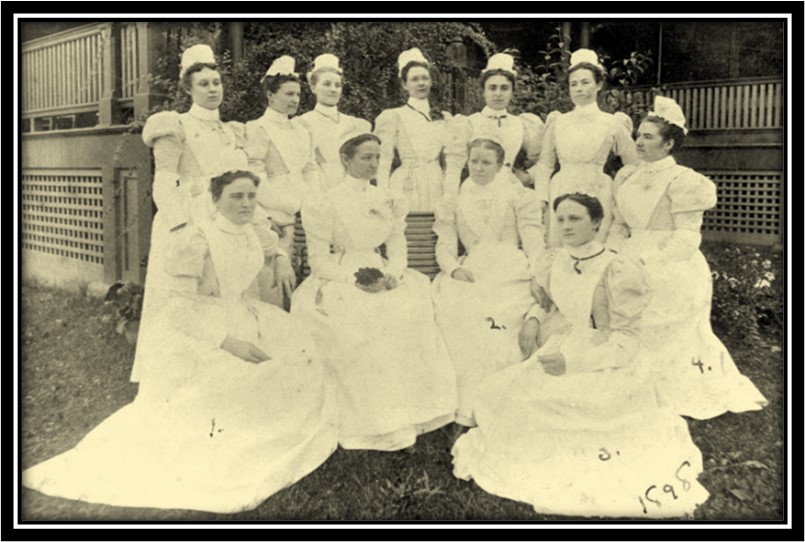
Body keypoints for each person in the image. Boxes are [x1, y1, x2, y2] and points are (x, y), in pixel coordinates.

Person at [22, 170, 339, 514]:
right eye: (236, 196)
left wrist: (278, 257)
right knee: (245, 381)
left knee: (300, 358)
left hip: (243, 314)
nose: (246, 203)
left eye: (251, 196)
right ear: (215, 201)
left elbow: (267, 244)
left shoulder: (252, 230)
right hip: (203, 329)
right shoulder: (196, 240)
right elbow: (178, 310)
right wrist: (227, 342)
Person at [452, 193, 709, 518]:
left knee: (558, 408)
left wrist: (573, 363)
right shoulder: (553, 260)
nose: (565, 226)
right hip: (566, 344)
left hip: (609, 359)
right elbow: (551, 303)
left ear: (597, 223)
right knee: (495, 392)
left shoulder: (617, 267)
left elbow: (628, 339)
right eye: (560, 219)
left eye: (575, 219)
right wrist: (533, 320)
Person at [132, 44, 294, 383]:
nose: (212, 89)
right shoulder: (175, 125)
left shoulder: (234, 130)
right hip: (189, 218)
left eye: (216, 82)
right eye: (203, 84)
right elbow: (164, 182)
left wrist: (272, 244)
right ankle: (178, 377)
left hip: (228, 218)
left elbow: (246, 188)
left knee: (234, 295)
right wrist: (183, 229)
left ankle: (237, 368)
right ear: (188, 89)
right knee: (188, 298)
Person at [291, 133, 458, 451]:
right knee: (359, 318)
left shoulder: (388, 199)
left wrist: (393, 275)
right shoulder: (324, 201)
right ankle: (369, 425)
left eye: (377, 157)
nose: (373, 163)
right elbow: (319, 262)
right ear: (345, 160)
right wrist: (354, 280)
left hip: (381, 271)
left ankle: (406, 419)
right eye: (365, 157)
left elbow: (397, 249)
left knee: (409, 311)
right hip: (340, 276)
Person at [607, 96, 767, 420]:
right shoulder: (626, 177)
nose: (638, 141)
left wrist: (649, 264)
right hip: (629, 253)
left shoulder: (683, 181)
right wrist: (610, 255)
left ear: (668, 144)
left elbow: (686, 237)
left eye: (648, 136)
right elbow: (619, 225)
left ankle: (659, 389)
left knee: (653, 314)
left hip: (671, 263)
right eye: (638, 134)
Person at [432, 137, 545, 427]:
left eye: (486, 162)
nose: (479, 168)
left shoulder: (518, 196)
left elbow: (533, 241)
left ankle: (500, 406)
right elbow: (445, 246)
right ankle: (463, 409)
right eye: (474, 161)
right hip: (471, 271)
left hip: (512, 269)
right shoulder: (453, 200)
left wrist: (537, 275)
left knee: (500, 322)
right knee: (458, 316)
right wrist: (454, 269)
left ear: (499, 165)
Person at [532, 48, 639, 247]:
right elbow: (545, 165)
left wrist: (620, 192)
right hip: (562, 188)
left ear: (598, 84)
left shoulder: (612, 123)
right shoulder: (557, 121)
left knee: (595, 246)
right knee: (560, 247)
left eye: (585, 82)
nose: (579, 89)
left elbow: (632, 164)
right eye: (574, 84)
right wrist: (541, 199)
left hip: (597, 189)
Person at [245, 55, 320, 254]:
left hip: (305, 211)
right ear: (270, 95)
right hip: (273, 212)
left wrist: (312, 202)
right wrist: (277, 210)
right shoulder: (258, 128)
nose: (295, 100)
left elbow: (310, 168)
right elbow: (254, 176)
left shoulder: (302, 129)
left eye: (297, 94)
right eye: (288, 94)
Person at [374, 47, 464, 211]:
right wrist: (383, 194)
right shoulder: (394, 116)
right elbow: (384, 160)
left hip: (437, 183)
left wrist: (450, 194)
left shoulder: (444, 118)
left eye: (425, 78)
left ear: (430, 81)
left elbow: (451, 163)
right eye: (414, 79)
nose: (421, 83)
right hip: (407, 183)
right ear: (404, 85)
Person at [448, 53, 544, 190]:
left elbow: (545, 162)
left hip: (511, 190)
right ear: (483, 91)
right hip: (475, 190)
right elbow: (453, 168)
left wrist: (529, 176)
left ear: (512, 92)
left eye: (504, 88)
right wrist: (451, 197)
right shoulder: (469, 123)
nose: (498, 94)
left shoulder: (522, 123)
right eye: (492, 88)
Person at [293, 54, 373, 186]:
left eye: (337, 85)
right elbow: (303, 169)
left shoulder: (355, 124)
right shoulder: (303, 123)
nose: (333, 90)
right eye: (326, 84)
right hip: (321, 192)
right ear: (313, 88)